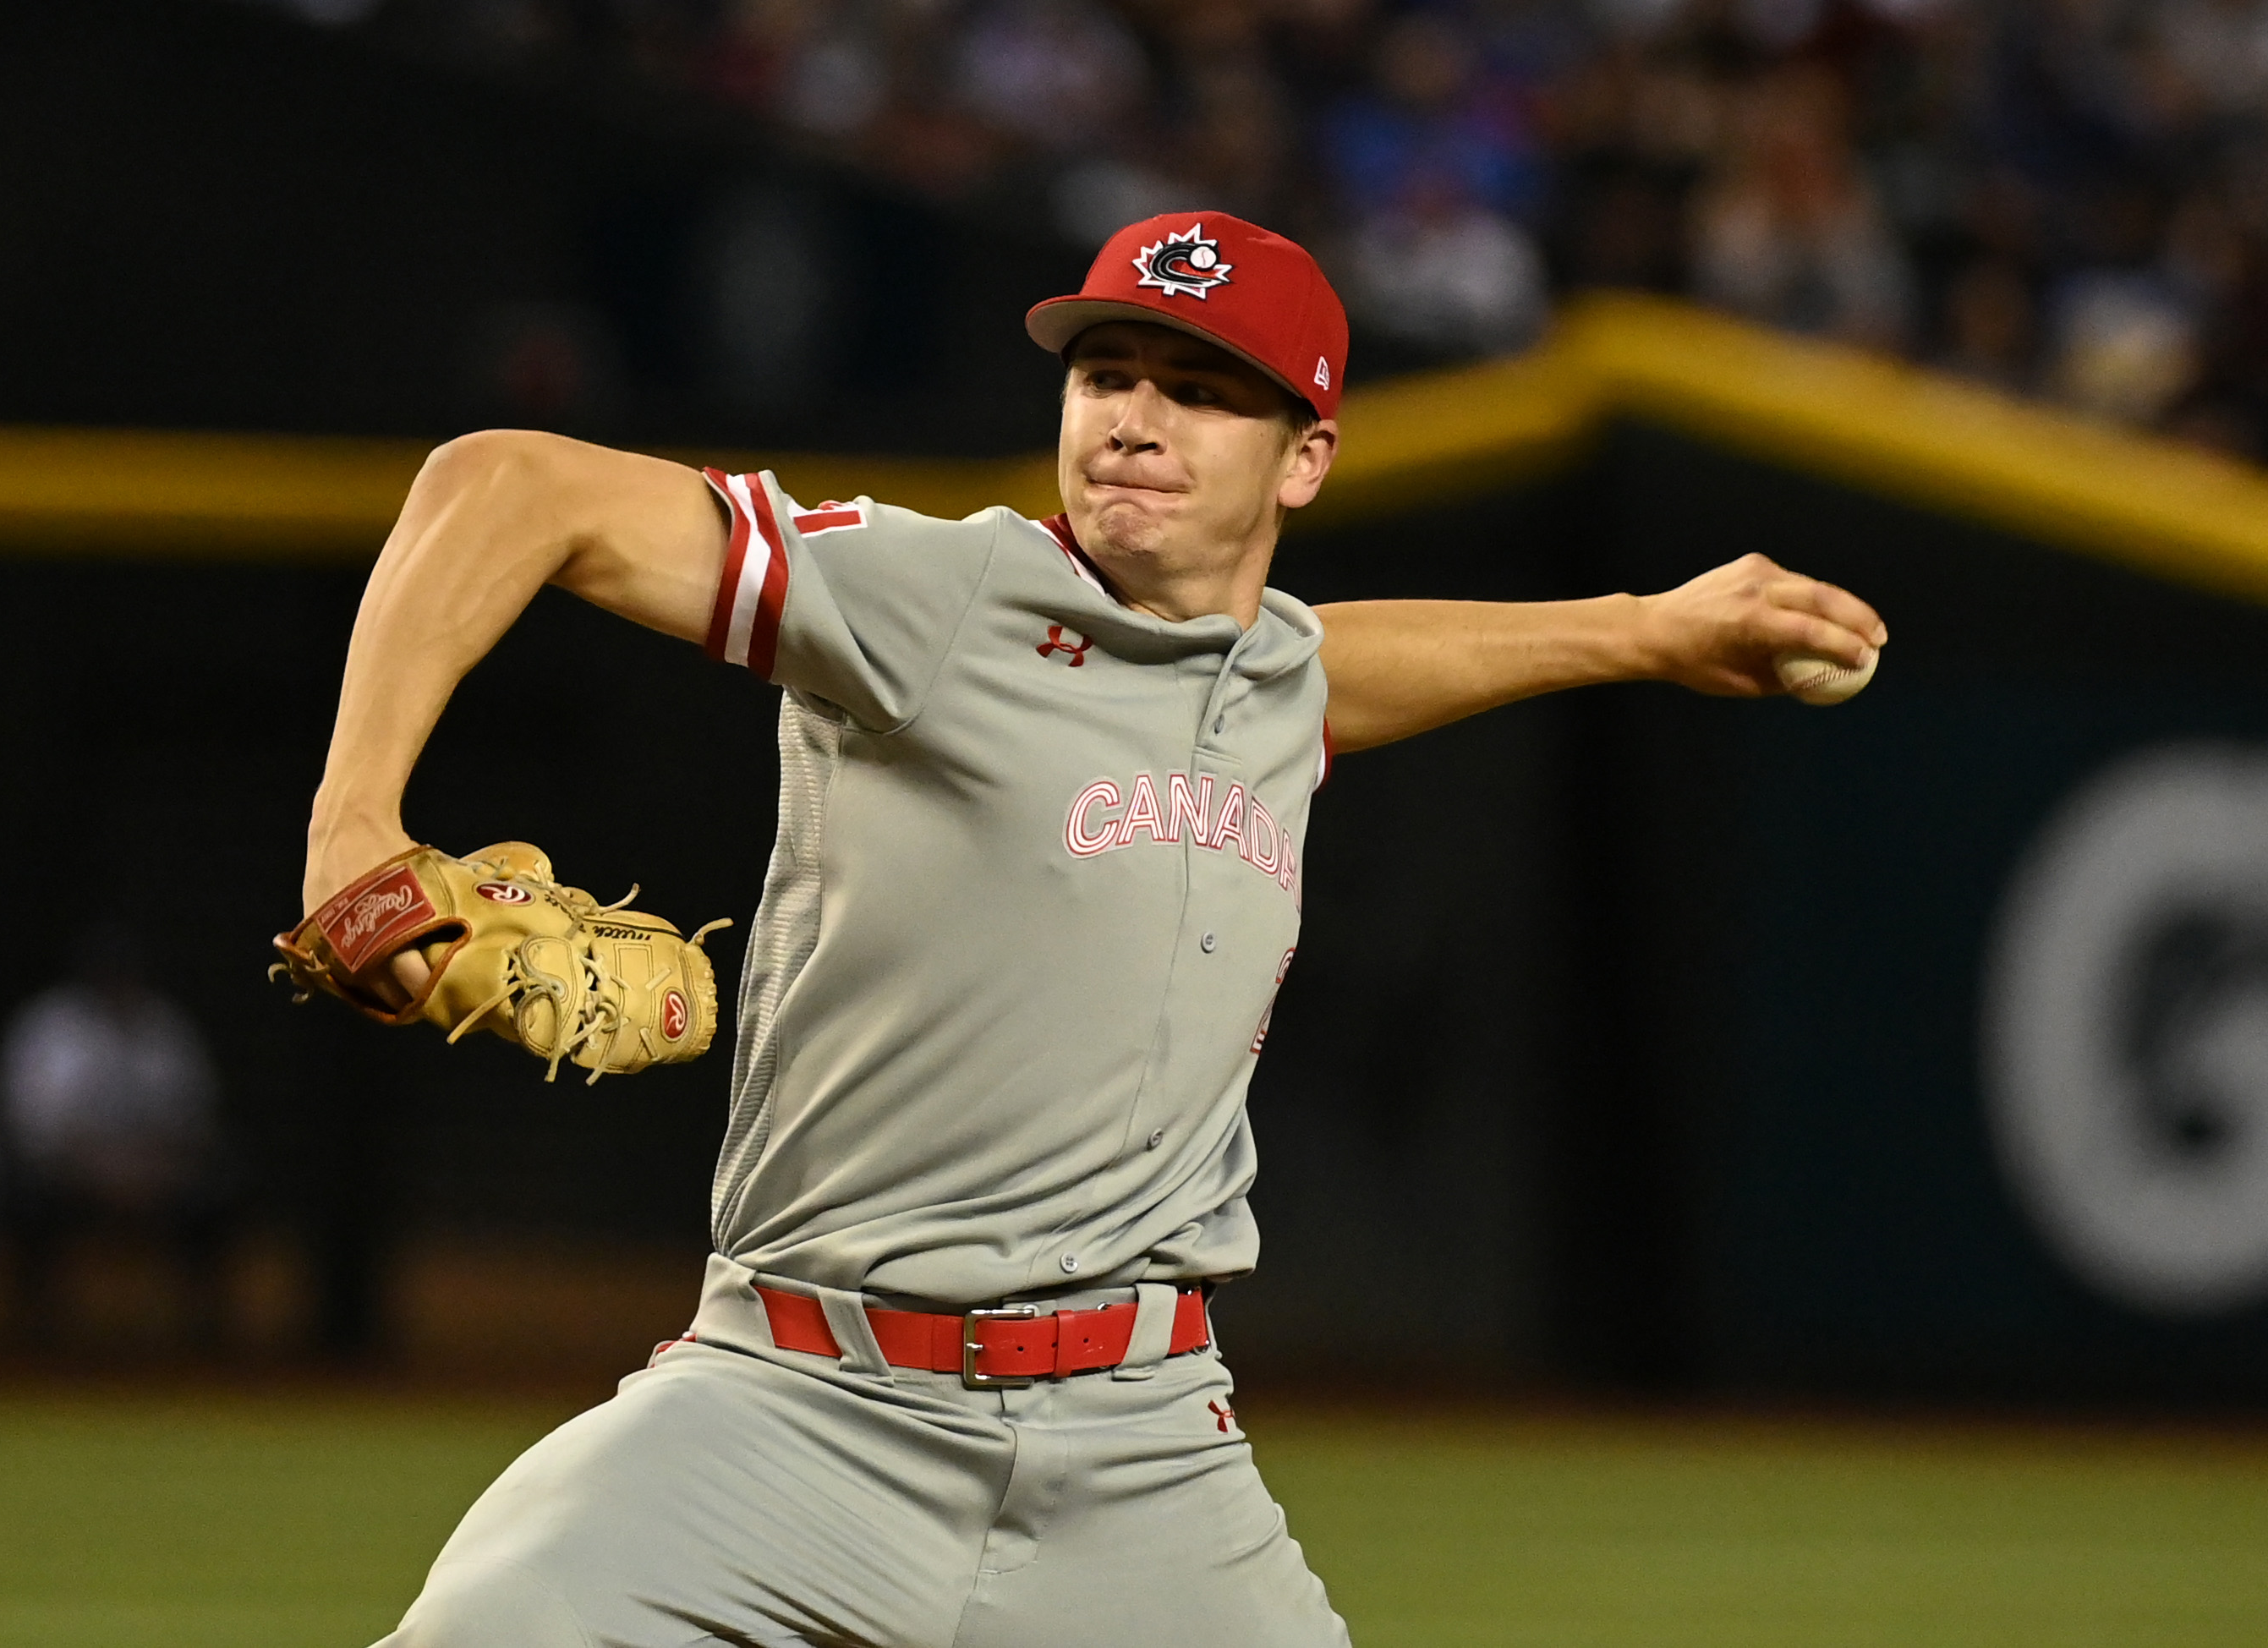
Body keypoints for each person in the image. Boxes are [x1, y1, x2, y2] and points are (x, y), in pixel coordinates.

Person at [305, 211, 1884, 1647]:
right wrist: (352, 831)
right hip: (793, 1406)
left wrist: (1641, 628)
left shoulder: (1271, 677)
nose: (1131, 415)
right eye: (1107, 371)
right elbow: (501, 482)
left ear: (1303, 458)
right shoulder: (936, 596)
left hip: (1141, 1452)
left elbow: (1339, 663)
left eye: (1199, 389)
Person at [0, 925, 235, 1348]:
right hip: (69, 1179)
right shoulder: (51, 1028)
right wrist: (104, 1172)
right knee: (23, 1201)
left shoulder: (165, 1030)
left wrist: (146, 1172)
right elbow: (34, 1135)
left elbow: (196, 1130)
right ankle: (35, 1341)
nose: (117, 985)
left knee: (220, 1196)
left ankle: (202, 1345)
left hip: (156, 1179)